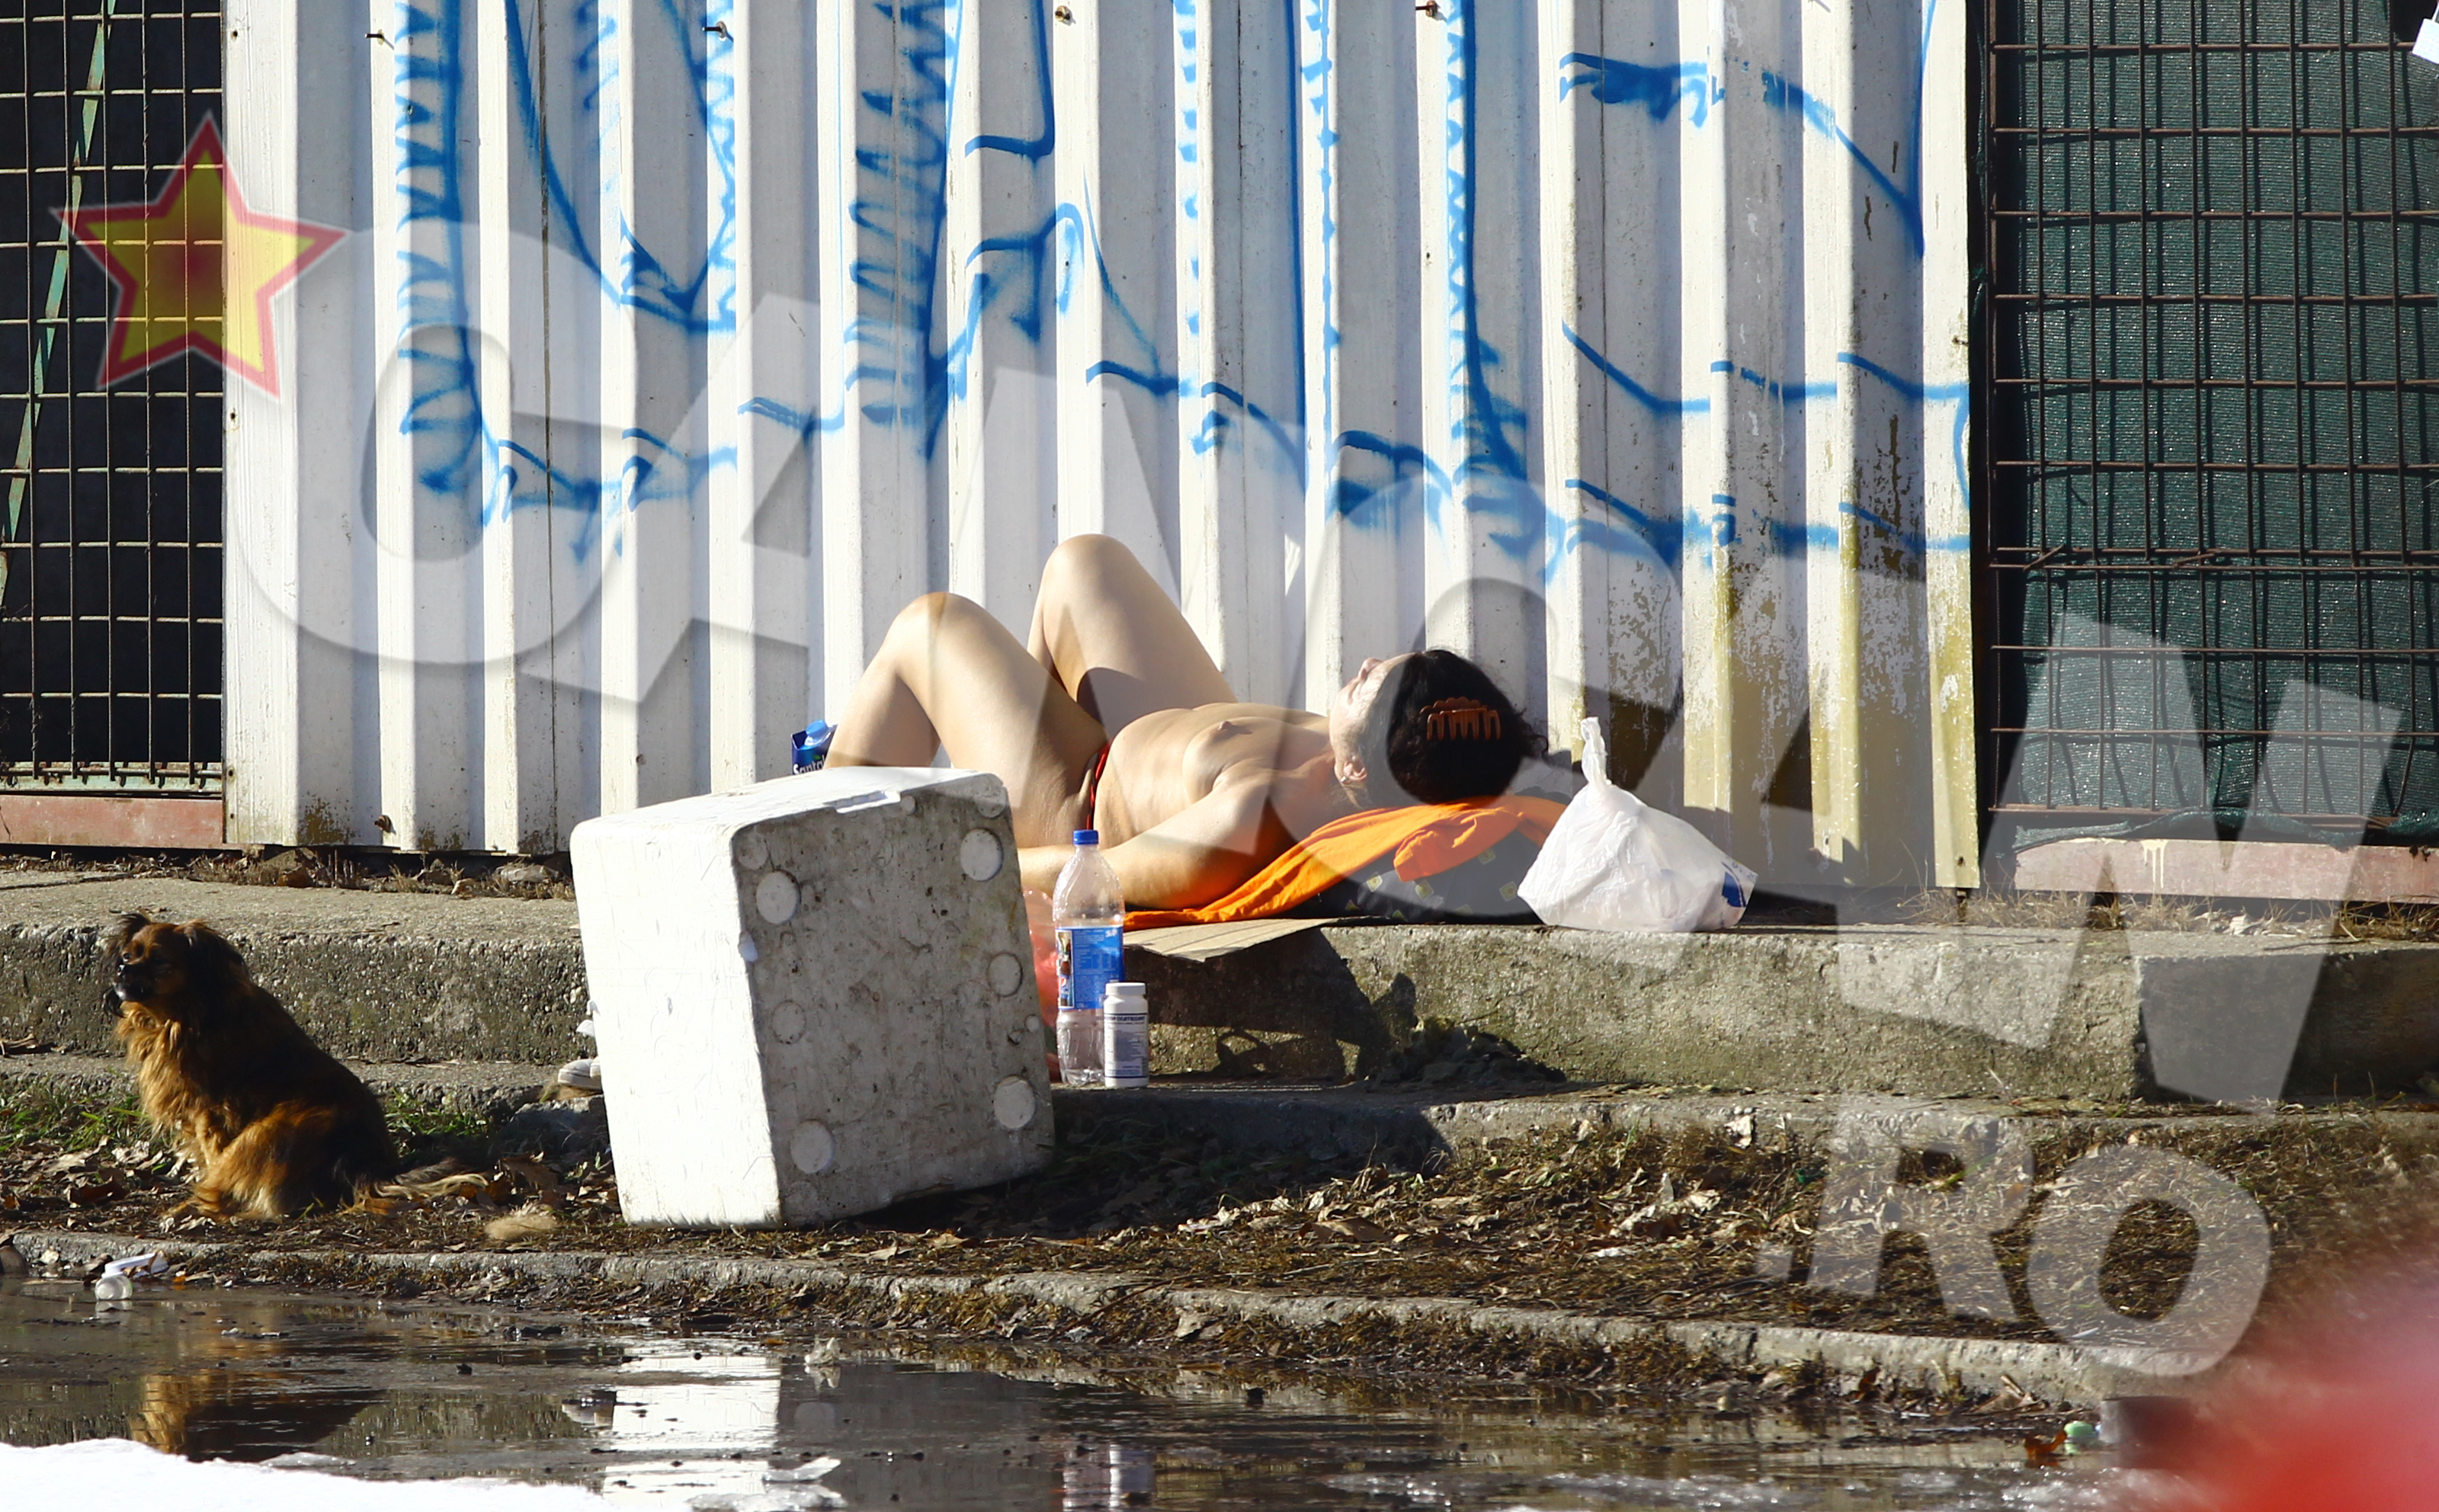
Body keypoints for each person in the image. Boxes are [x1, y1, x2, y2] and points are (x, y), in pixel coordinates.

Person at [826, 534, 1543, 909]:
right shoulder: (1373, 759)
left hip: (1078, 795)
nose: (1360, 666)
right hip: (1150, 732)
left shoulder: (1257, 814)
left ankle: (823, 839)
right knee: (1086, 564)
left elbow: (1100, 872)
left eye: (1367, 684)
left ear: (1359, 768)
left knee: (929, 626)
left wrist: (973, 870)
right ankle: (1007, 720)